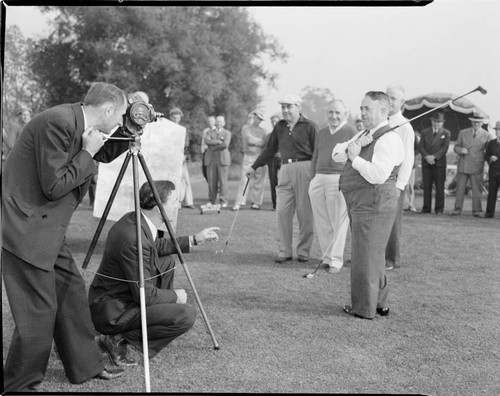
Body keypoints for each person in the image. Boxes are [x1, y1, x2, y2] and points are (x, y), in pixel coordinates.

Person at [2, 82, 131, 392]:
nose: (119, 123)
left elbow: (100, 153)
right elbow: (55, 184)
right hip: (26, 228)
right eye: (122, 116)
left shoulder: (79, 122)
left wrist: (132, 130)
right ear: (108, 109)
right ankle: (19, 383)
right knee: (39, 310)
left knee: (71, 290)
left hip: (45, 227)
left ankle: (85, 366)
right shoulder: (59, 122)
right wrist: (87, 151)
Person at [89, 180, 219, 363]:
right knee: (185, 314)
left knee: (166, 262)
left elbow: (155, 246)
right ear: (159, 208)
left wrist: (195, 239)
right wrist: (175, 296)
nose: (179, 205)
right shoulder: (133, 238)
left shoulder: (136, 219)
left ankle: (151, 319)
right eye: (174, 201)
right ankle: (115, 338)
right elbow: (146, 296)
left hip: (121, 296)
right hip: (113, 311)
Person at [339, 91, 404, 320]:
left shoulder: (388, 138)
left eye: (368, 109)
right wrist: (354, 146)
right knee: (373, 254)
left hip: (374, 201)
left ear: (384, 111)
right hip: (363, 201)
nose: (362, 112)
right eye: (362, 108)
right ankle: (379, 303)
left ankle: (363, 308)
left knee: (364, 255)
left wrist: (355, 158)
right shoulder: (365, 134)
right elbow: (337, 154)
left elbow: (377, 174)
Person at [247, 94, 318, 263]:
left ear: (298, 107)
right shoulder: (279, 126)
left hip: (305, 168)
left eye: (289, 106)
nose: (285, 110)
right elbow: (269, 150)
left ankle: (304, 251)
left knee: (305, 213)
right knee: (282, 211)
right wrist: (254, 166)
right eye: (283, 107)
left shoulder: (310, 126)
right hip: (285, 169)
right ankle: (284, 251)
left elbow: (317, 153)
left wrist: (316, 173)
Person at [308, 99, 356, 273]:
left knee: (338, 222)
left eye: (337, 112)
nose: (334, 116)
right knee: (322, 221)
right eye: (331, 112)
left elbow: (354, 159)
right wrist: (312, 178)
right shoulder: (321, 133)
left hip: (338, 179)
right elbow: (315, 156)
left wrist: (346, 180)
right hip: (319, 178)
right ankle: (326, 258)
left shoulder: (352, 132)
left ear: (345, 114)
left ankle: (336, 260)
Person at [384, 85, 415, 270]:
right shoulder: (379, 122)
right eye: (387, 97)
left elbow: (408, 158)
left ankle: (392, 259)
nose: (389, 101)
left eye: (394, 98)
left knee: (393, 220)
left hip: (394, 179)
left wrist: (400, 184)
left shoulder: (405, 126)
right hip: (377, 176)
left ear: (402, 103)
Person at [450, 113, 489, 217]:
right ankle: (457, 209)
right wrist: (460, 150)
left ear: (482, 123)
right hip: (463, 164)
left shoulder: (486, 135)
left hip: (477, 165)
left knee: (477, 190)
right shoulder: (463, 133)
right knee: (460, 189)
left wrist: (483, 161)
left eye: (479, 122)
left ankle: (477, 210)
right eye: (475, 122)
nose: (476, 124)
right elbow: (455, 147)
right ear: (471, 122)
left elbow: (489, 151)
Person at [232, 110, 268, 211]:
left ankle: (256, 203)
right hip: (249, 156)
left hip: (260, 156)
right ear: (254, 117)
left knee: (259, 180)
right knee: (244, 179)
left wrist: (256, 142)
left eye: (261, 119)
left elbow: (263, 143)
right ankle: (239, 202)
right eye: (258, 118)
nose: (259, 121)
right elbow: (249, 140)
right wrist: (258, 141)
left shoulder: (263, 130)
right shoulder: (246, 128)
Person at [417, 112, 451, 214]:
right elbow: (420, 147)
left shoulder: (446, 133)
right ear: (431, 121)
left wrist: (434, 157)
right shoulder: (424, 132)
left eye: (439, 122)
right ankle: (426, 208)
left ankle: (439, 209)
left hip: (439, 164)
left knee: (439, 187)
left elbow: (445, 148)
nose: (437, 124)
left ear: (442, 123)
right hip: (426, 163)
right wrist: (427, 157)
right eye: (435, 121)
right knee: (427, 186)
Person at [170, 107, 195, 209]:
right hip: (171, 157)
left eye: (178, 118)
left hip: (182, 156)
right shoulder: (168, 129)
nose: (176, 120)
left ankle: (188, 202)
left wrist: (184, 156)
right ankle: (177, 201)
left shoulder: (183, 129)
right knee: (176, 179)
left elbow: (187, 143)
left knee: (185, 180)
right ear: (171, 118)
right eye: (174, 118)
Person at [204, 115, 232, 207]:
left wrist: (213, 146)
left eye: (221, 122)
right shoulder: (208, 132)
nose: (219, 123)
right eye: (217, 121)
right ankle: (211, 200)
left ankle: (223, 200)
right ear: (215, 122)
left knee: (223, 181)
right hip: (211, 159)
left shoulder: (227, 133)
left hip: (223, 159)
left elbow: (225, 145)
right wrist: (218, 141)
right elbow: (207, 141)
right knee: (211, 181)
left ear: (224, 123)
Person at [482, 121, 500, 218]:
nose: (498, 132)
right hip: (493, 172)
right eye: (496, 130)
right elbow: (486, 155)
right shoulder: (491, 143)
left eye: (499, 130)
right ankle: (489, 212)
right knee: (492, 193)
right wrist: (490, 158)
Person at [266, 113, 282, 210]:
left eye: (275, 121)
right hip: (271, 160)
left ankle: (285, 204)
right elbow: (267, 149)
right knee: (273, 182)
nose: (273, 123)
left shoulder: (285, 134)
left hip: (283, 159)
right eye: (272, 121)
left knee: (285, 182)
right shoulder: (268, 136)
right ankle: (275, 205)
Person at [403, 131, 420, 212]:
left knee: (410, 186)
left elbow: (418, 149)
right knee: (403, 186)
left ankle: (411, 204)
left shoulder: (413, 135)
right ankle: (404, 205)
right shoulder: (397, 134)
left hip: (410, 165)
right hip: (400, 165)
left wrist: (410, 154)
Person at [200, 115, 216, 181]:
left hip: (214, 152)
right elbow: (203, 141)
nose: (210, 122)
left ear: (214, 122)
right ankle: (209, 181)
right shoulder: (205, 131)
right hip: (206, 152)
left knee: (213, 169)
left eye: (211, 121)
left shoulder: (217, 130)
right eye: (208, 121)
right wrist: (202, 151)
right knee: (204, 169)